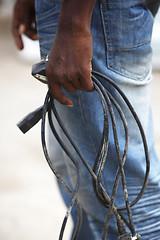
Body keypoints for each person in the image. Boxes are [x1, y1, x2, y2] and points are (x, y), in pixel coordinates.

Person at [12, 0, 160, 239]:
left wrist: (74, 23)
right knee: (77, 175)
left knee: (123, 202)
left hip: (92, 12)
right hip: (81, 12)